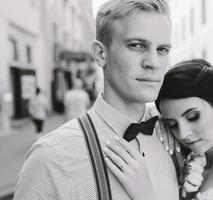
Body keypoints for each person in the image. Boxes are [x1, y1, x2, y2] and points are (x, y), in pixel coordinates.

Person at [13, 0, 179, 200]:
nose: (153, 63)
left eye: (162, 50)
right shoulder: (52, 159)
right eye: (136, 45)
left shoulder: (177, 137)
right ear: (100, 54)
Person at [105, 59, 213, 200]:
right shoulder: (191, 155)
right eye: (173, 124)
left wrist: (145, 194)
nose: (182, 134)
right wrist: (158, 121)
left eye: (193, 117)